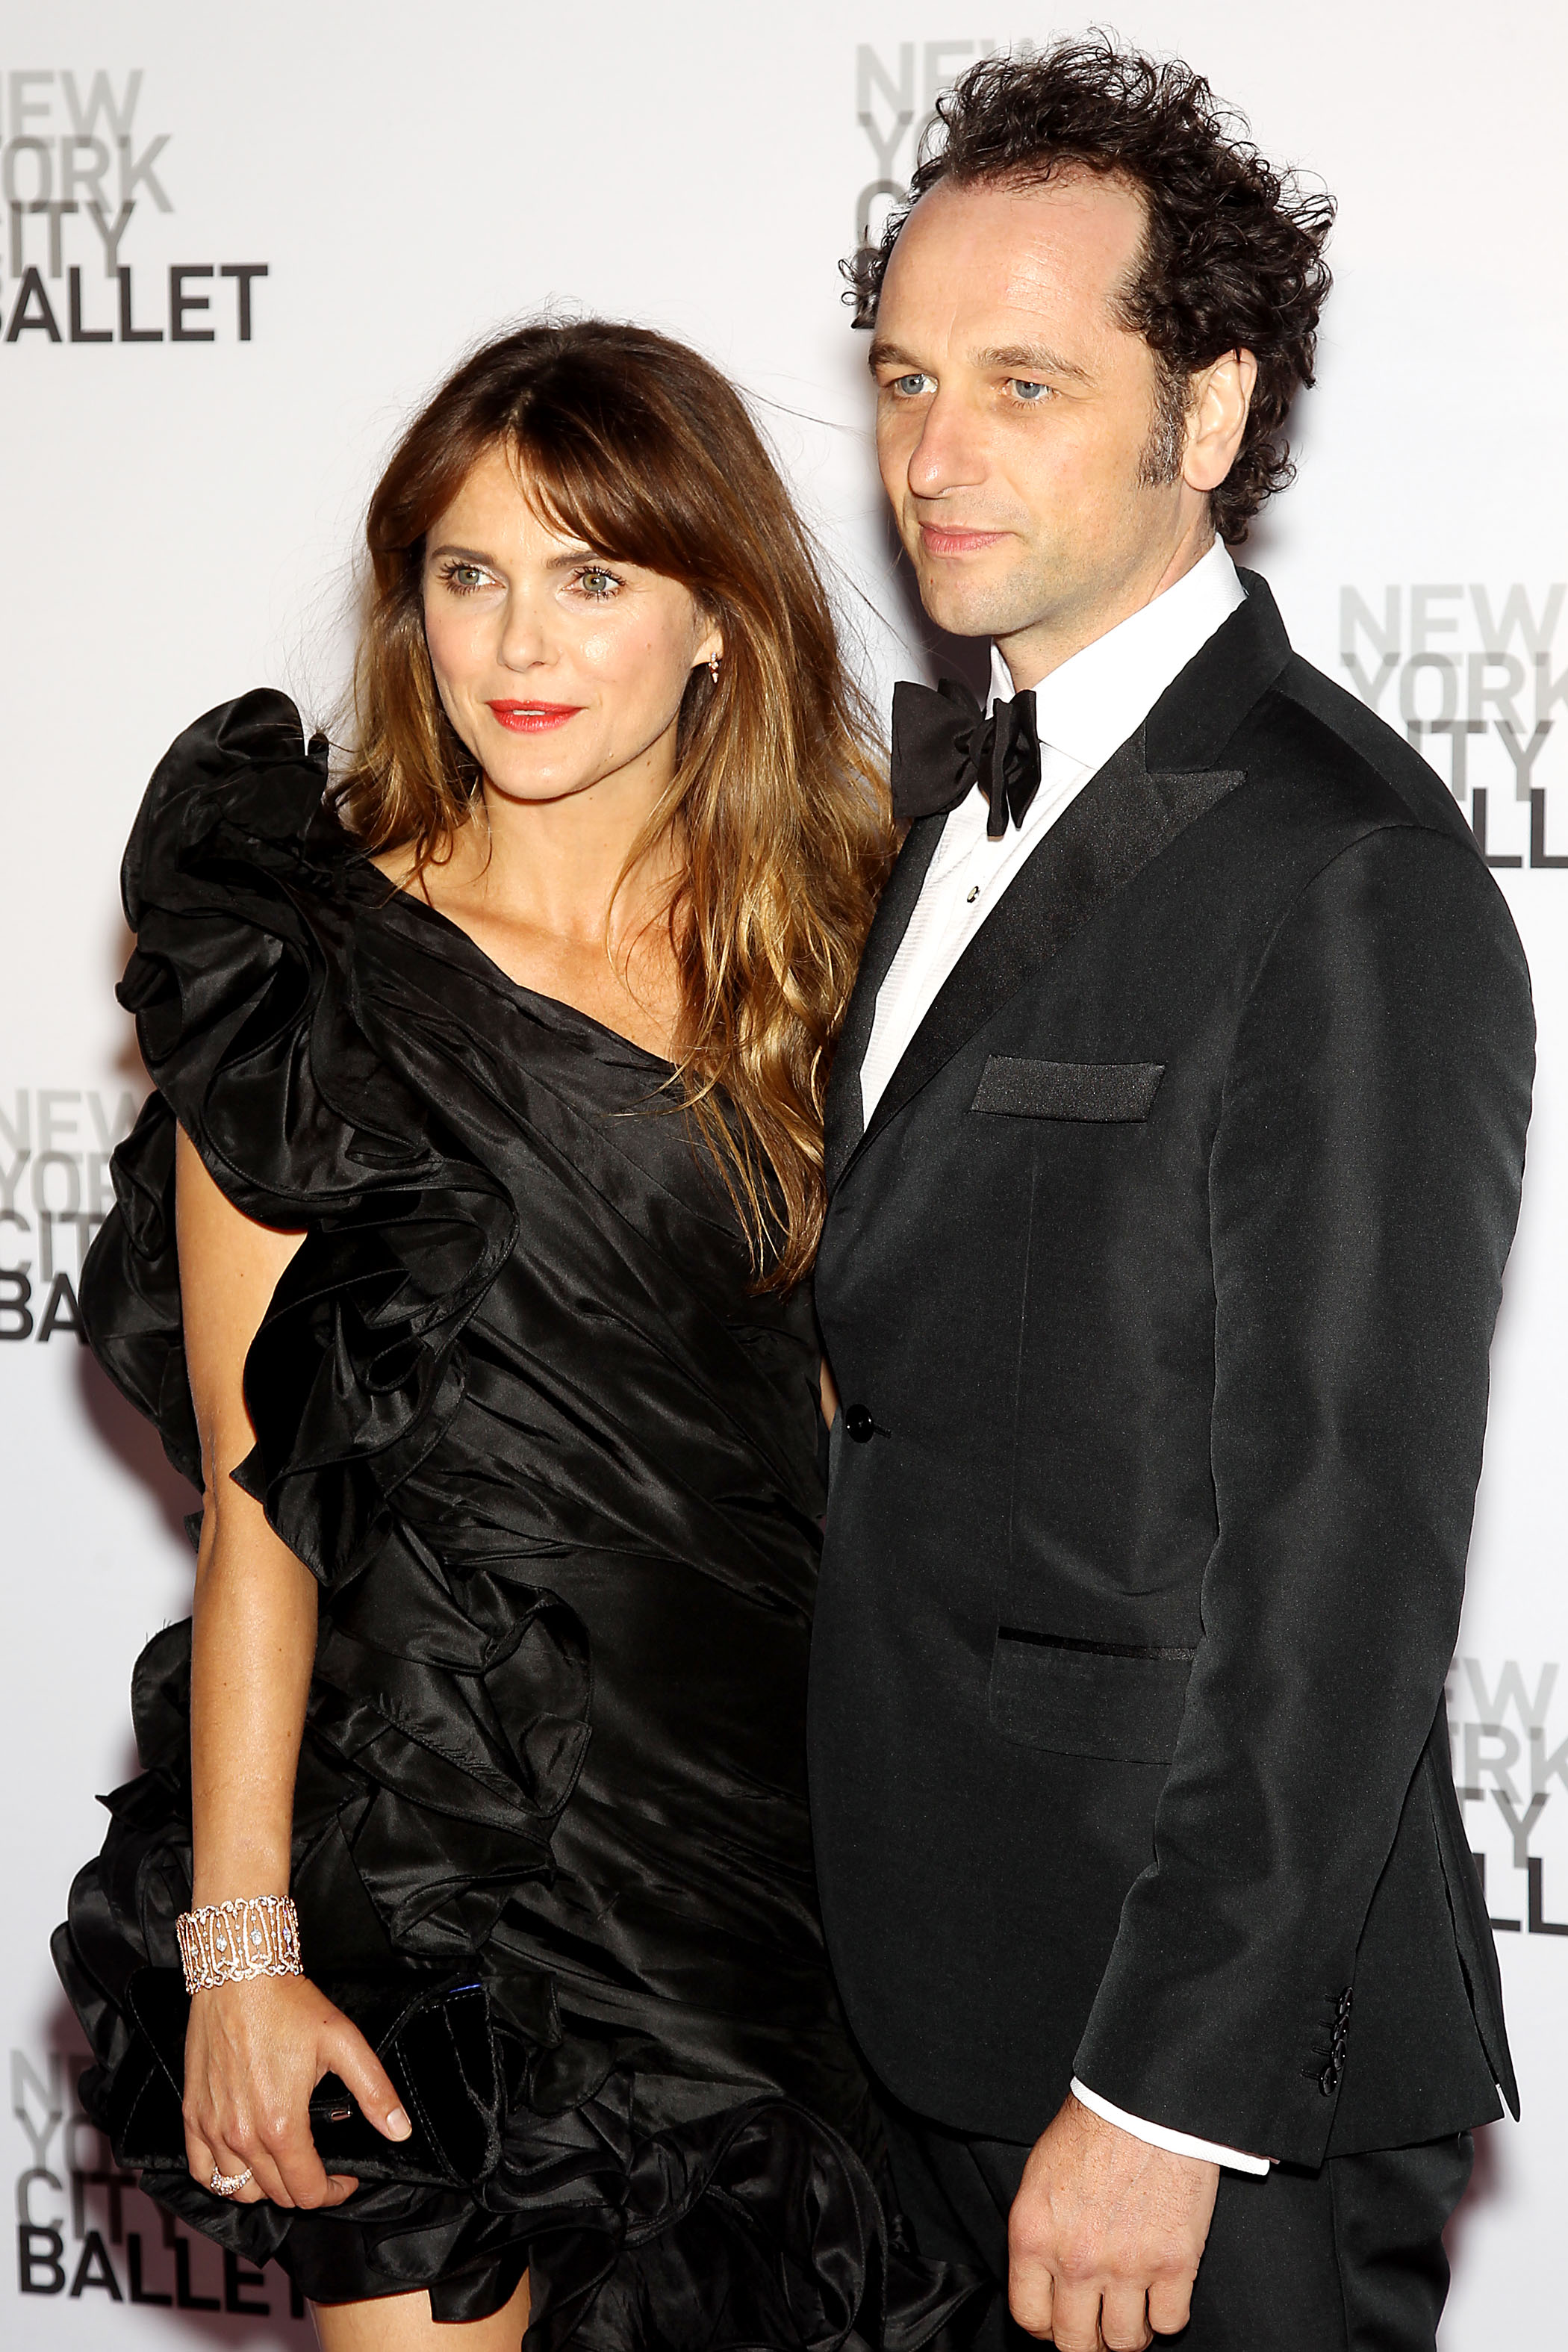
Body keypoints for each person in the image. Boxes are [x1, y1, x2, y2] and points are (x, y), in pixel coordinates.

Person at [55, 320, 973, 2352]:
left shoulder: (841, 953)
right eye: (468, 573)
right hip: (428, 1861)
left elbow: (882, 1436)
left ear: (717, 618)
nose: (517, 642)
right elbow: (257, 1503)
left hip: (757, 1859)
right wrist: (238, 1949)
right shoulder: (307, 975)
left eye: (592, 575)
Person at [808, 40, 1532, 2352]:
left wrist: (1163, 2091)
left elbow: (1343, 1543)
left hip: (1185, 2068)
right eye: (907, 380)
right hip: (911, 1980)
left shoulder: (1343, 866)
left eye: (1024, 385)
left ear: (1203, 412)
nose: (935, 455)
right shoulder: (941, 810)